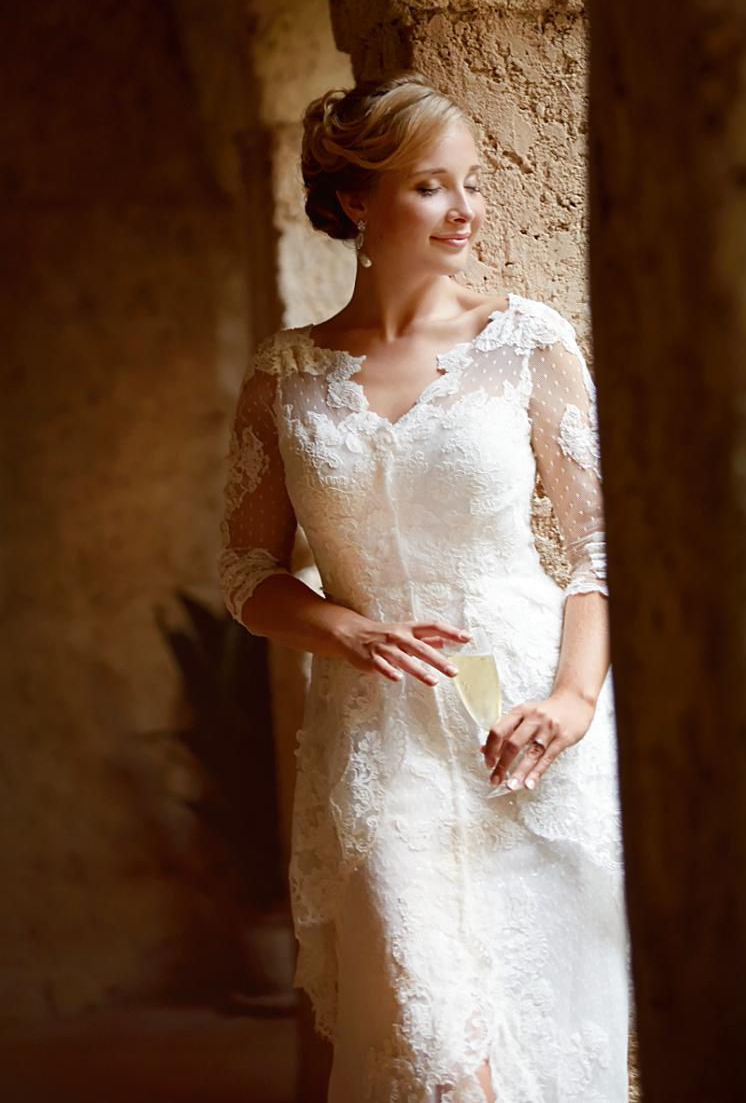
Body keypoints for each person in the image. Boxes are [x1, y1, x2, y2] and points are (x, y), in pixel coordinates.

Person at [218, 71, 629, 1102]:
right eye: (431, 186)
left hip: (523, 722)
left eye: (474, 184)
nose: (466, 211)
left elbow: (600, 551)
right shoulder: (285, 373)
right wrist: (341, 627)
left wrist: (573, 698)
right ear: (356, 201)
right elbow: (246, 574)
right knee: (434, 1045)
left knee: (548, 1036)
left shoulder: (525, 341)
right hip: (378, 734)